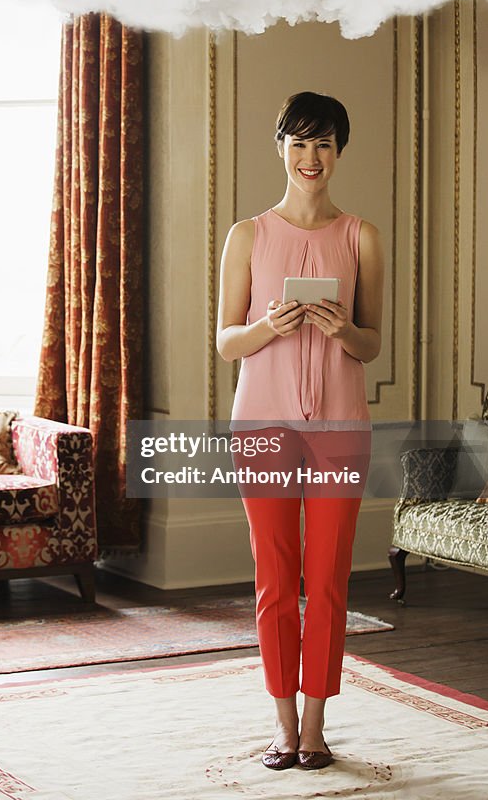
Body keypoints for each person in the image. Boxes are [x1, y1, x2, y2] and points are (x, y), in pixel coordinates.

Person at [216, 91, 384, 771]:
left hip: (342, 429)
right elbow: (226, 341)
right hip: (262, 427)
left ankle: (316, 725)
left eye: (324, 144)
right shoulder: (247, 235)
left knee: (330, 580)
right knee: (276, 580)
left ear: (339, 152)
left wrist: (346, 331)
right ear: (279, 146)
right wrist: (267, 328)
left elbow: (374, 343)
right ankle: (282, 726)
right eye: (299, 141)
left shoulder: (361, 236)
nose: (310, 157)